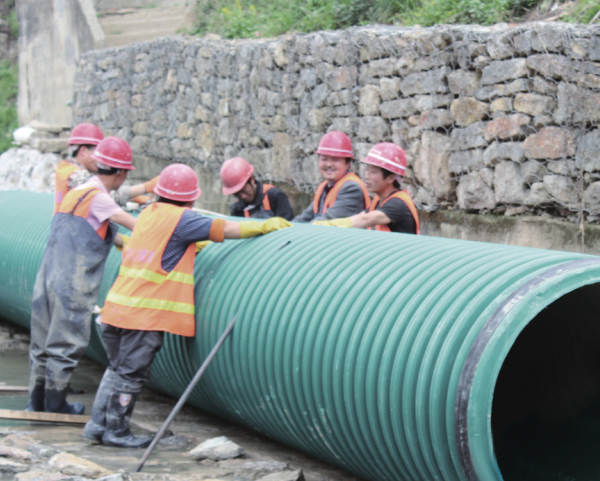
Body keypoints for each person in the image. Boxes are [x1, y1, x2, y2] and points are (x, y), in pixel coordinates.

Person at [83, 163, 292, 448]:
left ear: (159, 192)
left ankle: (98, 426)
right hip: (142, 315)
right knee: (131, 373)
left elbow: (161, 247)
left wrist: (191, 246)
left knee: (117, 368)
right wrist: (265, 225)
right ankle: (117, 432)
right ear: (191, 197)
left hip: (116, 308)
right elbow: (226, 228)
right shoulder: (183, 218)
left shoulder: (148, 213)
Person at [27, 137, 138, 416]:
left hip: (47, 275)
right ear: (122, 172)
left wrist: (124, 244)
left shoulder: (78, 192)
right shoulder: (100, 199)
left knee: (41, 341)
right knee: (66, 341)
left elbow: (99, 230)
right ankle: (55, 405)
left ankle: (36, 402)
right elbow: (137, 227)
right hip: (71, 281)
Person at [314, 143, 419, 234]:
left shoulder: (397, 204)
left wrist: (328, 225)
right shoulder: (379, 201)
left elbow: (365, 220)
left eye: (373, 172)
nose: (366, 176)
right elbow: (358, 217)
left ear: (391, 178)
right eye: (367, 170)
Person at [54, 123, 159, 214]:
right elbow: (104, 197)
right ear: (83, 150)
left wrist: (134, 197)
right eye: (97, 151)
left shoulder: (66, 169)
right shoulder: (77, 176)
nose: (100, 159)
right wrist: (146, 187)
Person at [293, 131, 370, 223]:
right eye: (324, 159)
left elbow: (326, 221)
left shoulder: (352, 188)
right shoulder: (324, 187)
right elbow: (304, 218)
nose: (329, 164)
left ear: (347, 164)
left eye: (335, 160)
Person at [221, 157, 294, 221]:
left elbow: (288, 227)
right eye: (237, 194)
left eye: (244, 190)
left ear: (252, 180)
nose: (242, 196)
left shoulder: (274, 196)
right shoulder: (237, 209)